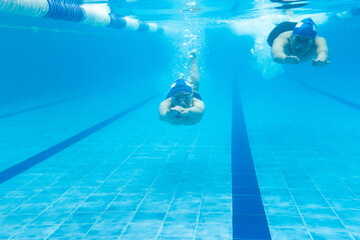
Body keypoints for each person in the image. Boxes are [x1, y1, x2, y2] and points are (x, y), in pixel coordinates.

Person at [159, 50, 205, 125]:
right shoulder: (167, 102)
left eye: (186, 98)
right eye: (177, 99)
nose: (182, 103)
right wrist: (168, 115)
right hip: (176, 94)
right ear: (172, 98)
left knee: (195, 84)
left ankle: (193, 59)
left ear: (191, 96)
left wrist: (187, 111)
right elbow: (161, 115)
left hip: (190, 93)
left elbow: (199, 112)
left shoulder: (196, 101)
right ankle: (181, 77)